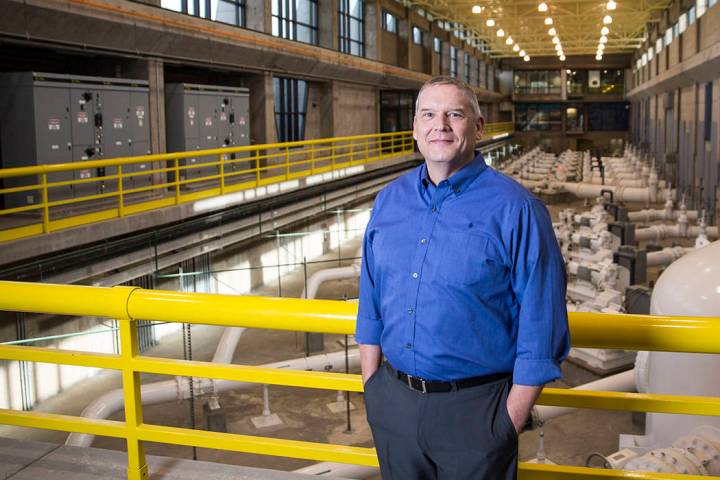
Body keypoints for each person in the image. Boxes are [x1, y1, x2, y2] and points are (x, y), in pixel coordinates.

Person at [355, 76, 569, 480]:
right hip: (393, 405)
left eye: (455, 113)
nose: (441, 125)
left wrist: (507, 421)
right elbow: (371, 300)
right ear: (415, 127)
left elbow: (543, 325)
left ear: (479, 126)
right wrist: (373, 389)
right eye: (429, 114)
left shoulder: (518, 210)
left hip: (478, 412)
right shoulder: (388, 201)